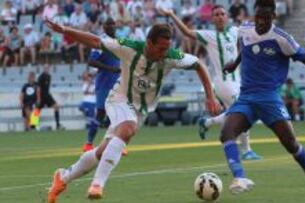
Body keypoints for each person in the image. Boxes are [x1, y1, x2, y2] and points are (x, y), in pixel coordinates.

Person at [45, 20, 221, 203]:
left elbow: (198, 64)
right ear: (149, 43)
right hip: (119, 99)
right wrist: (65, 30)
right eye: (161, 48)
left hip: (141, 110)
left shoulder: (171, 56)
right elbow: (96, 41)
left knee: (102, 152)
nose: (164, 53)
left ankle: (63, 178)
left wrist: (210, 95)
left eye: (167, 48)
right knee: (128, 128)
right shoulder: (129, 47)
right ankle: (97, 184)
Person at [221, 0, 305, 196]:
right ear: (254, 15)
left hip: (269, 98)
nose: (260, 22)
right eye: (258, 17)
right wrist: (234, 63)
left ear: (273, 17)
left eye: (265, 18)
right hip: (247, 97)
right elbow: (244, 47)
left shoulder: (282, 38)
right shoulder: (244, 29)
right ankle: (240, 177)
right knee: (226, 134)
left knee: (290, 143)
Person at [161, 5, 261, 160]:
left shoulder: (235, 31)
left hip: (238, 81)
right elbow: (187, 32)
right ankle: (247, 150)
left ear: (227, 17)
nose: (220, 16)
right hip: (224, 83)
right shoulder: (208, 35)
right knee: (243, 111)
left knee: (236, 113)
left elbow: (253, 28)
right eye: (216, 15)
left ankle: (207, 123)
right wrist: (172, 14)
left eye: (222, 14)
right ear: (212, 19)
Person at [82, 17, 122, 152]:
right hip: (104, 83)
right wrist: (110, 69)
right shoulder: (100, 41)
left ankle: (116, 145)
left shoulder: (118, 40)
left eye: (113, 24)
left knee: (117, 113)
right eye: (108, 24)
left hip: (116, 82)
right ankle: (88, 143)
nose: (111, 26)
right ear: (104, 27)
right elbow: (91, 61)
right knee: (100, 112)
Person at [36, 64, 63, 130]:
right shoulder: (41, 77)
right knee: (37, 110)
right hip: (42, 96)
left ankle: (57, 125)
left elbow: (47, 88)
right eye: (45, 68)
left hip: (47, 95)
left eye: (47, 68)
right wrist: (39, 98)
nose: (46, 69)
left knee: (56, 106)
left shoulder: (49, 76)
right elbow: (38, 88)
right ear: (43, 68)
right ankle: (33, 125)